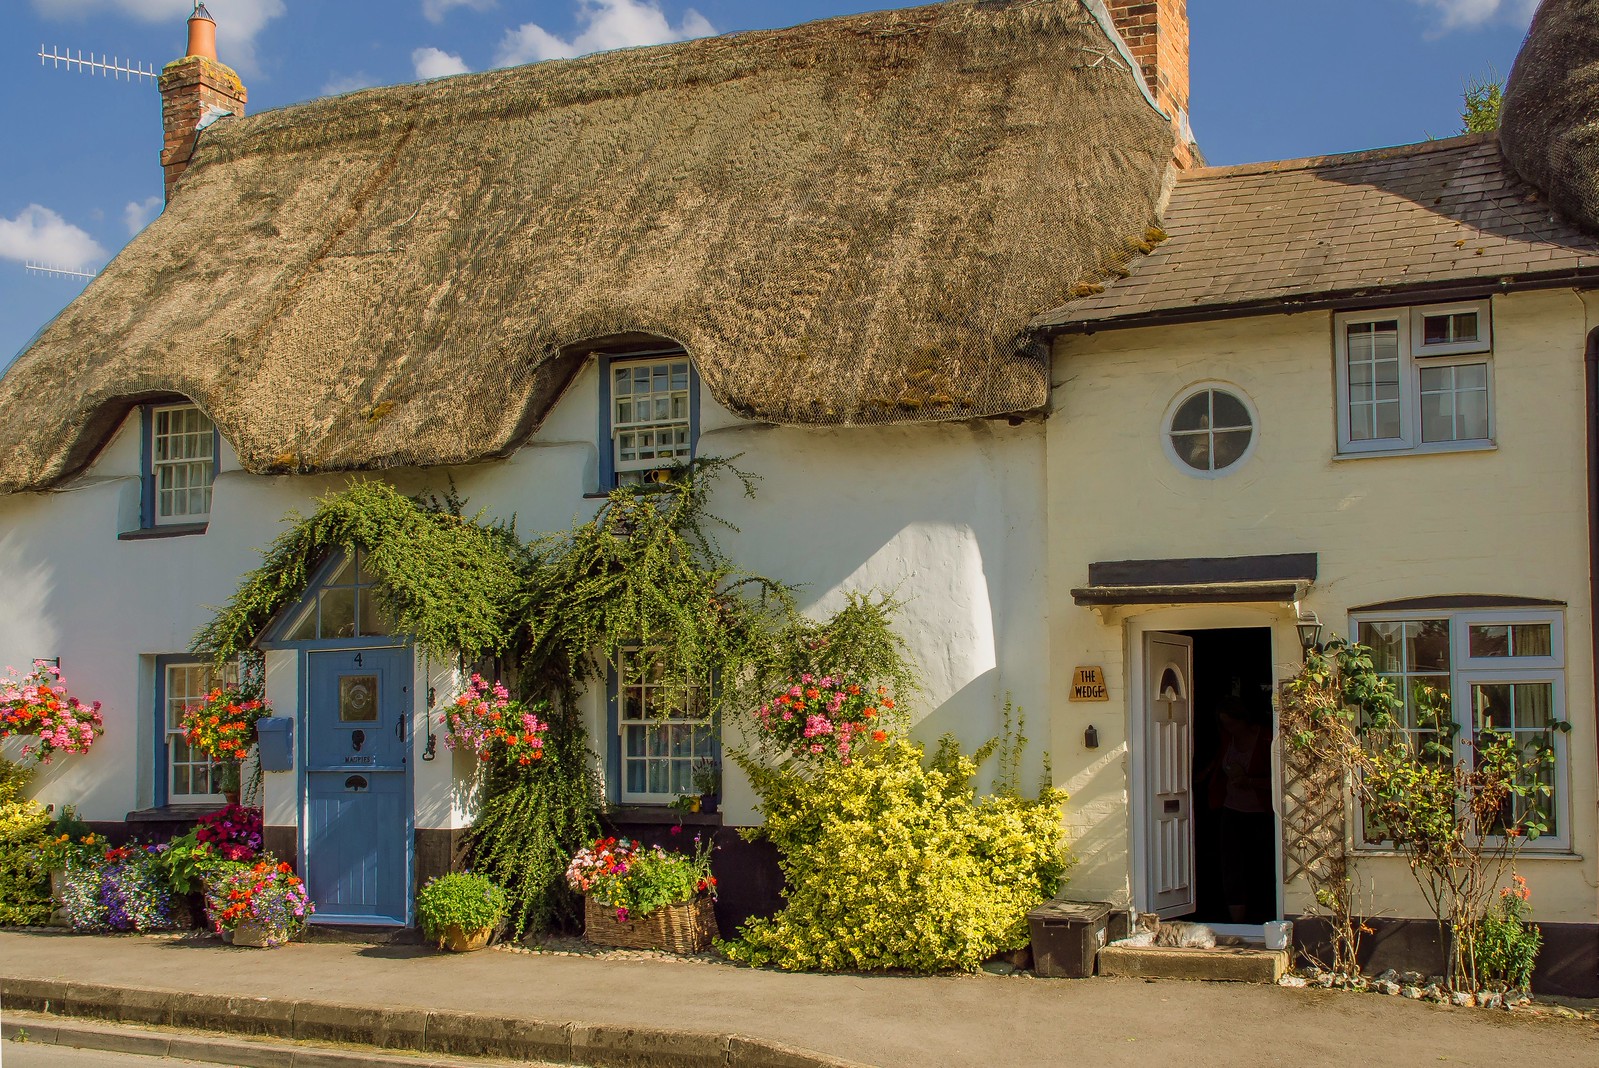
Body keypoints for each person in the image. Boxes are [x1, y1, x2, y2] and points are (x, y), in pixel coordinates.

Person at [1202, 697, 1274, 923]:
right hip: (1232, 810)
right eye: (1225, 724)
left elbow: (1280, 781)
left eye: (1232, 723)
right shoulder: (1227, 740)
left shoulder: (1266, 738)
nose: (1229, 729)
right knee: (1232, 863)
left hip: (1261, 813)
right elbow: (1218, 766)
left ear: (1244, 719)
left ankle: (1263, 913)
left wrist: (1250, 781)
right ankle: (1237, 921)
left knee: (1260, 862)